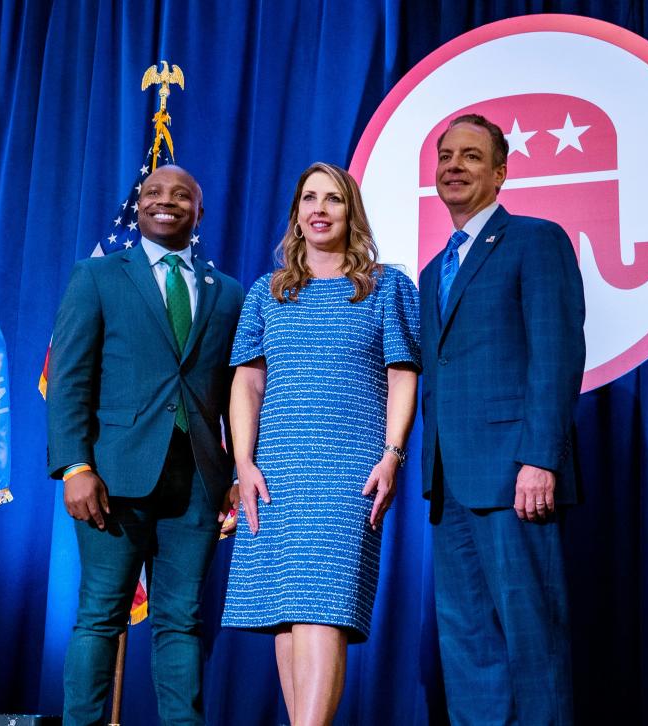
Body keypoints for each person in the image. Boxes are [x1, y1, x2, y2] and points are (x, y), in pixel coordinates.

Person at [223, 162, 421, 725]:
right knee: (285, 615)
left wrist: (392, 454)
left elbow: (404, 373)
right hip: (277, 469)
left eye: (333, 199)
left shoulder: (386, 287)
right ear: (295, 214)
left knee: (323, 608)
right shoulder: (268, 291)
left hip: (348, 467)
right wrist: (243, 463)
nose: (319, 209)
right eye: (309, 198)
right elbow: (248, 382)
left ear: (350, 211)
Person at [47, 165, 243, 726]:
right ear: (138, 206)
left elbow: (235, 394)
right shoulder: (98, 276)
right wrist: (75, 464)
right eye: (154, 193)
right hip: (111, 478)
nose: (166, 202)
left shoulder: (225, 291)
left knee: (181, 620)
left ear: (199, 212)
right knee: (100, 615)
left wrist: (234, 471)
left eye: (182, 195)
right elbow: (70, 378)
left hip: (200, 484)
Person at [419, 114, 586, 724]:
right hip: (449, 482)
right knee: (466, 645)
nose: (453, 166)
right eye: (445, 156)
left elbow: (557, 352)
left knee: (532, 639)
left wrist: (540, 457)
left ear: (500, 172)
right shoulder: (433, 269)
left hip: (516, 475)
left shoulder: (536, 240)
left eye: (469, 155)